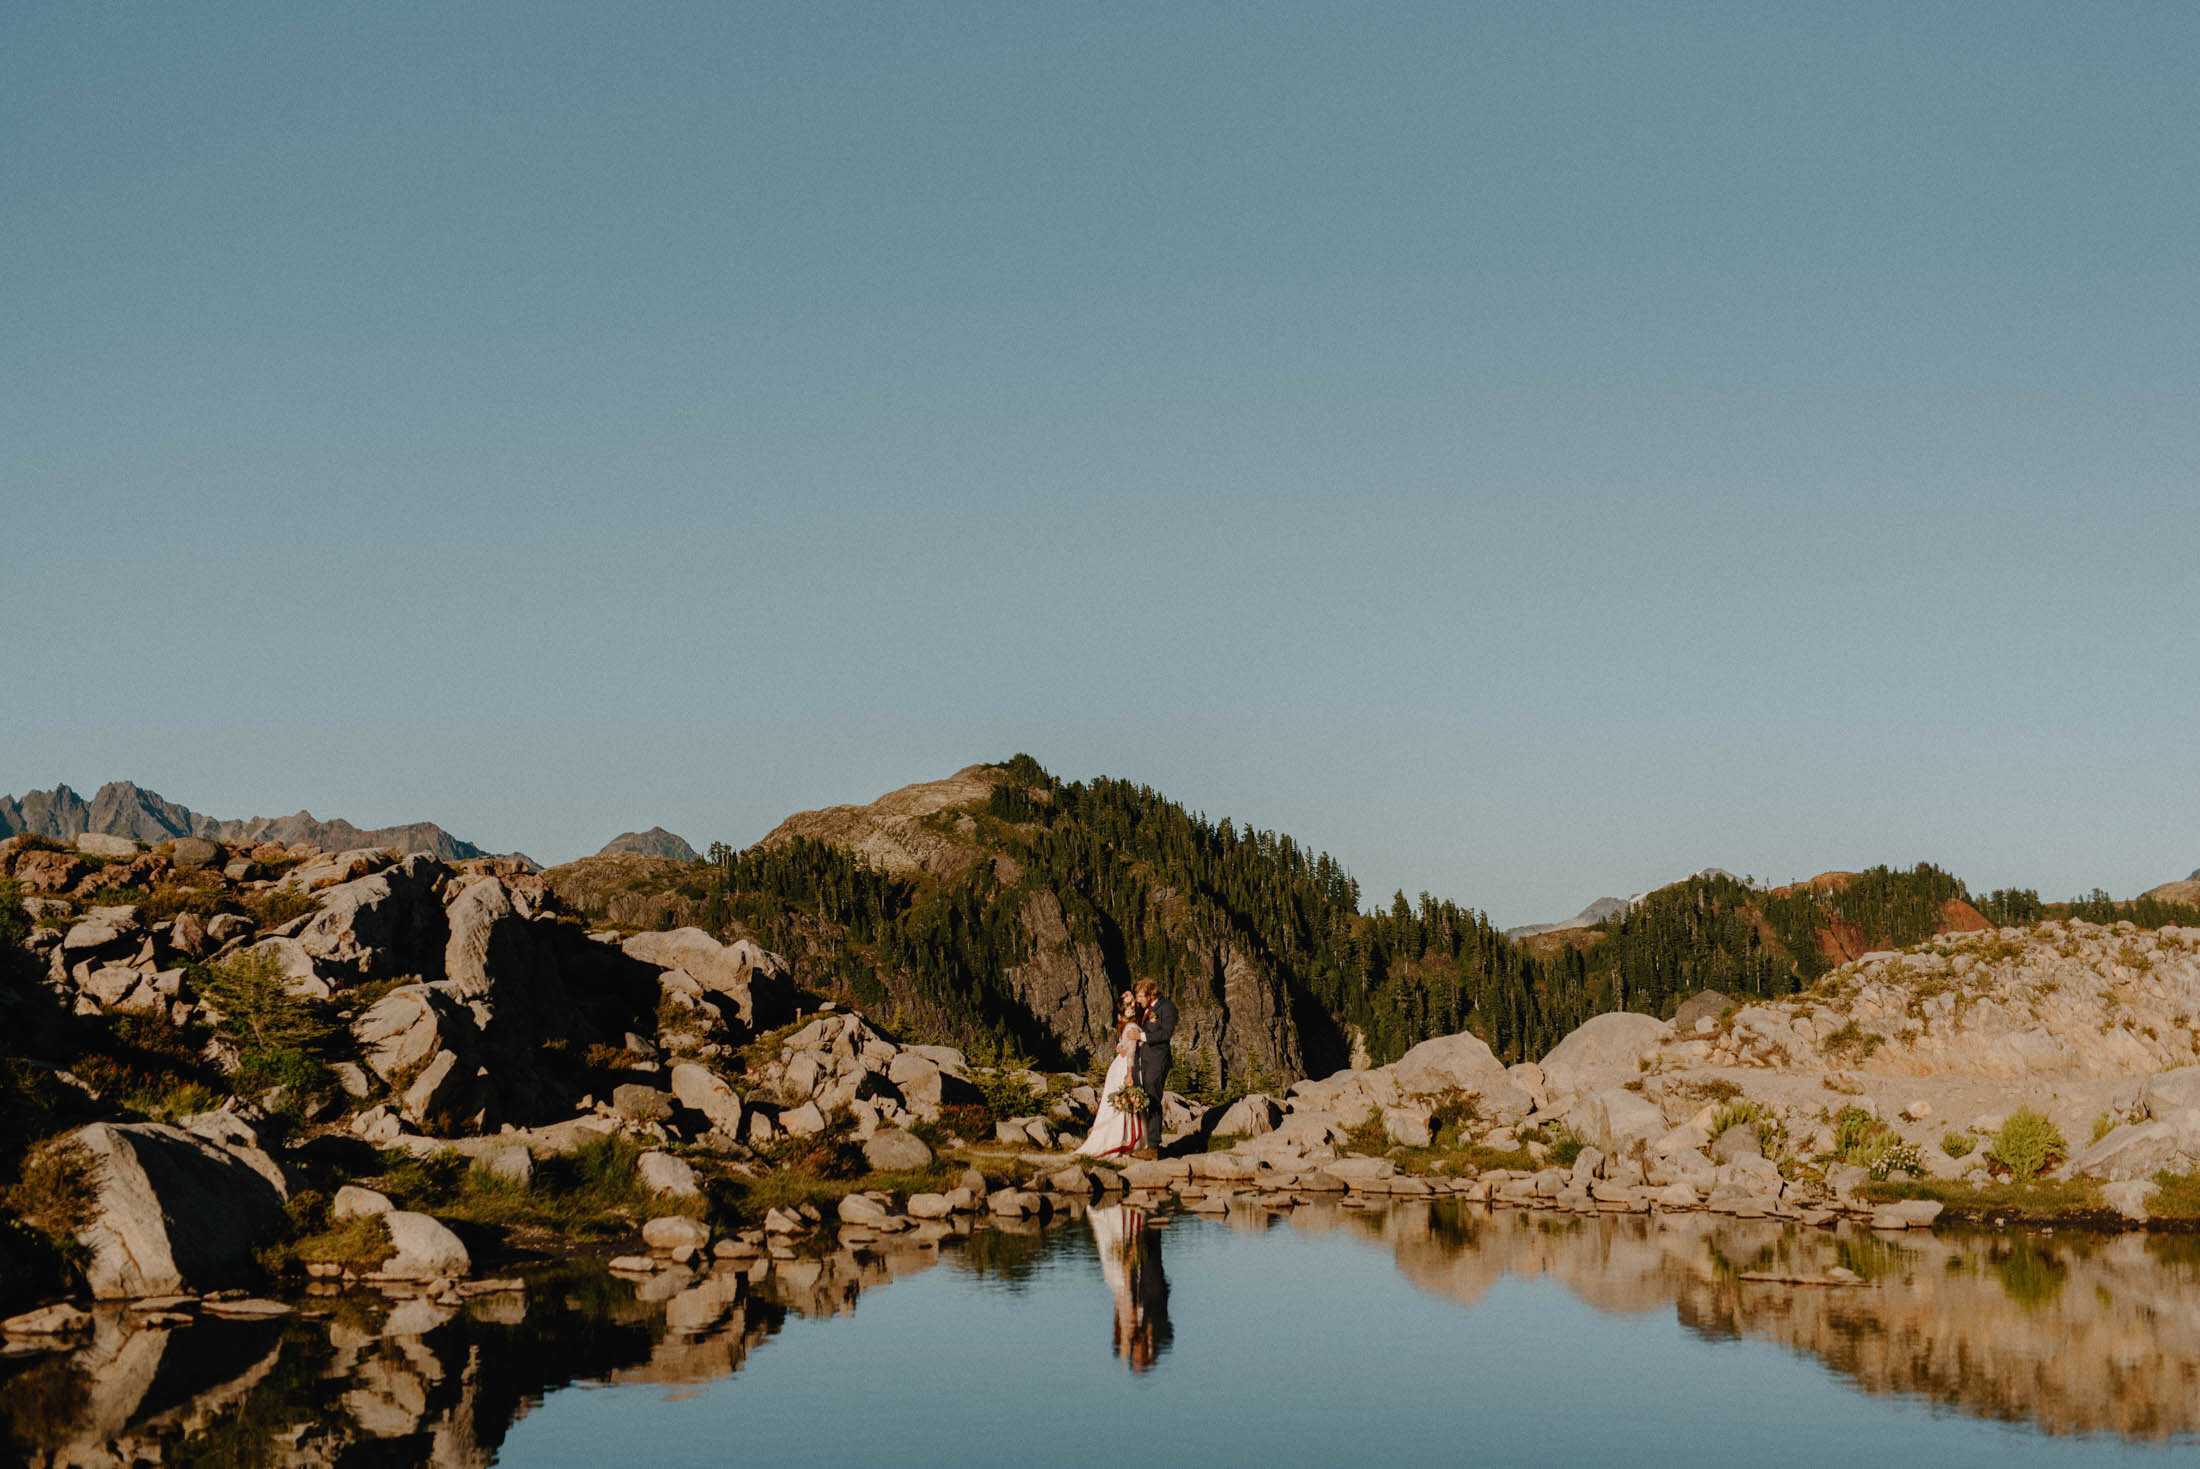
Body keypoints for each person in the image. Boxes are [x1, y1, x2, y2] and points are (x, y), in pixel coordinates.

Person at [1074, 991, 1147, 1158]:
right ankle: (1124, 1139)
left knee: (1119, 1103)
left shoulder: (1127, 1028)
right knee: (1125, 1102)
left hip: (1118, 1068)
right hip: (1124, 1068)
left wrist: (1122, 1052)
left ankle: (1117, 1138)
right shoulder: (1133, 1028)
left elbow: (1126, 1049)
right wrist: (1129, 1073)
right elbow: (1131, 1053)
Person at [1130, 978, 1176, 1160]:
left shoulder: (1167, 1008)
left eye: (1141, 996)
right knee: (1147, 1098)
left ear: (1151, 994)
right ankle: (1147, 1142)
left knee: (1153, 1098)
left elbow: (1166, 1033)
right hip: (1146, 1060)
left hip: (1158, 1060)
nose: (1138, 1000)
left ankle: (1154, 1146)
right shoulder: (1146, 1009)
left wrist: (1141, 1035)